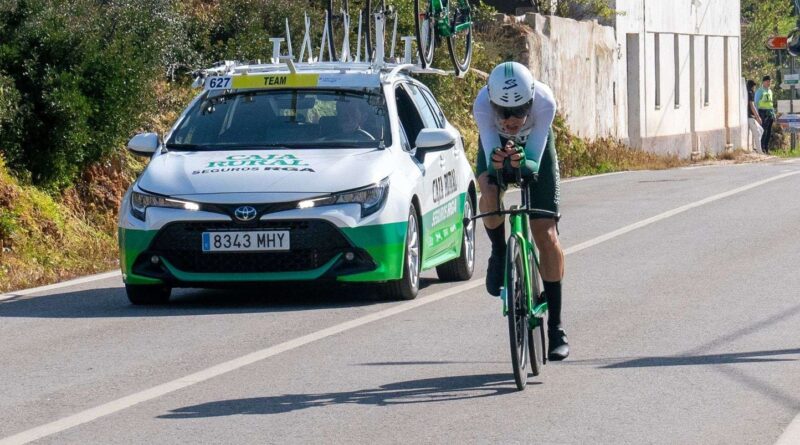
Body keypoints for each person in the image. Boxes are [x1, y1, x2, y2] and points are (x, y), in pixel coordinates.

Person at [473, 61, 569, 361]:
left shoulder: (545, 102)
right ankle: (500, 252)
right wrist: (499, 164)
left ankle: (556, 327)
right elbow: (491, 160)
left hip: (535, 148)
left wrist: (521, 165)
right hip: (497, 146)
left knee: (546, 232)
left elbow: (533, 164)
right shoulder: (482, 106)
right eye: (503, 111)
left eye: (519, 110)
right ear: (492, 104)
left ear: (531, 101)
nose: (512, 119)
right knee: (489, 189)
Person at [754, 75, 776, 154]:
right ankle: (761, 148)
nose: (769, 83)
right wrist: (757, 115)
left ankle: (766, 148)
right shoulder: (760, 91)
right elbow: (756, 103)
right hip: (762, 113)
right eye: (767, 81)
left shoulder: (770, 91)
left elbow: (771, 103)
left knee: (769, 132)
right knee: (763, 131)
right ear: (763, 82)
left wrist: (774, 114)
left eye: (770, 81)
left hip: (769, 113)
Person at [747, 80, 764, 153]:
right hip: (750, 117)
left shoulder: (749, 92)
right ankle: (760, 151)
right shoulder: (750, 93)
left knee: (761, 130)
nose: (754, 88)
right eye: (754, 86)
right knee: (757, 133)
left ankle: (755, 148)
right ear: (752, 86)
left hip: (751, 117)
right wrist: (758, 117)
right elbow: (752, 106)